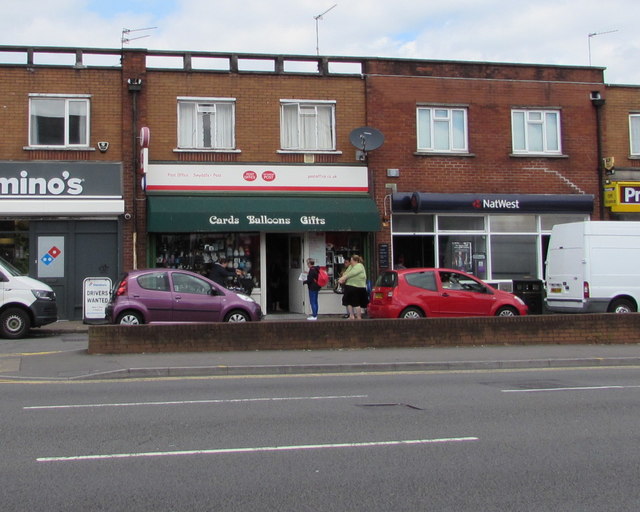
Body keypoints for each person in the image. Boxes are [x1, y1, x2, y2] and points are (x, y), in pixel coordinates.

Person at [338, 255, 369, 320]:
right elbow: (346, 273)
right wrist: (343, 276)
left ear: (355, 260)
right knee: (348, 302)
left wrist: (343, 278)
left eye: (351, 260)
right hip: (349, 286)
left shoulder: (359, 266)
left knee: (356, 303)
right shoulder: (350, 266)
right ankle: (351, 316)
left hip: (358, 287)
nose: (350, 262)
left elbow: (352, 273)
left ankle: (358, 317)